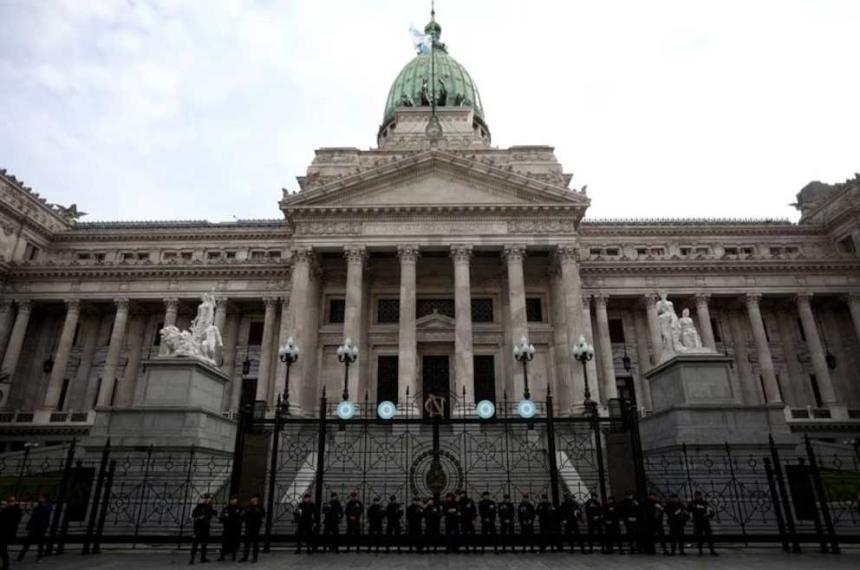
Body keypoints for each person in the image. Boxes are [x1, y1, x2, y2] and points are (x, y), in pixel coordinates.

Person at [688, 491, 717, 556]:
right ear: (695, 496)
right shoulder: (692, 503)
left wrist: (708, 516)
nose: (697, 497)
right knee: (699, 537)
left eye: (698, 496)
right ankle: (700, 551)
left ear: (701, 496)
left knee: (709, 536)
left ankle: (712, 550)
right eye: (696, 496)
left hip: (705, 521)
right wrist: (691, 517)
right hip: (697, 522)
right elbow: (688, 510)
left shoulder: (705, 503)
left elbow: (712, 512)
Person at [189, 494, 215, 565]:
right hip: (198, 528)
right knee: (195, 544)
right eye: (205, 499)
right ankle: (192, 559)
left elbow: (213, 514)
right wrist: (199, 517)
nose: (207, 500)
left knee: (204, 544)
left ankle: (203, 558)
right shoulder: (199, 506)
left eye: (208, 499)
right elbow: (194, 515)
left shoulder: (209, 507)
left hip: (205, 528)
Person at [0, 496, 23, 570]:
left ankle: (6, 565)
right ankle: (6, 564)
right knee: (3, 548)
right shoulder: (19, 510)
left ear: (8, 502)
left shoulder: (5, 510)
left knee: (2, 549)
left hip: (3, 533)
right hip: (12, 532)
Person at [217, 495, 242, 561]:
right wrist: (223, 518)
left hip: (235, 528)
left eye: (234, 499)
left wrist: (237, 521)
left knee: (234, 542)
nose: (233, 501)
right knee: (225, 542)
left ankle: (233, 556)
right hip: (227, 528)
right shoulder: (226, 508)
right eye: (232, 499)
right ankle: (222, 556)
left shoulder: (239, 508)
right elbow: (222, 518)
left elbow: (241, 517)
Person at [240, 495, 265, 563]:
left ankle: (255, 557)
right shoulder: (248, 507)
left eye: (255, 500)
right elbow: (243, 514)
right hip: (248, 527)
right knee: (247, 543)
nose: (253, 501)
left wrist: (255, 512)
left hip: (256, 528)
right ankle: (245, 557)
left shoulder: (260, 507)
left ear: (257, 500)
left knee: (255, 544)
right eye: (252, 499)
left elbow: (262, 514)